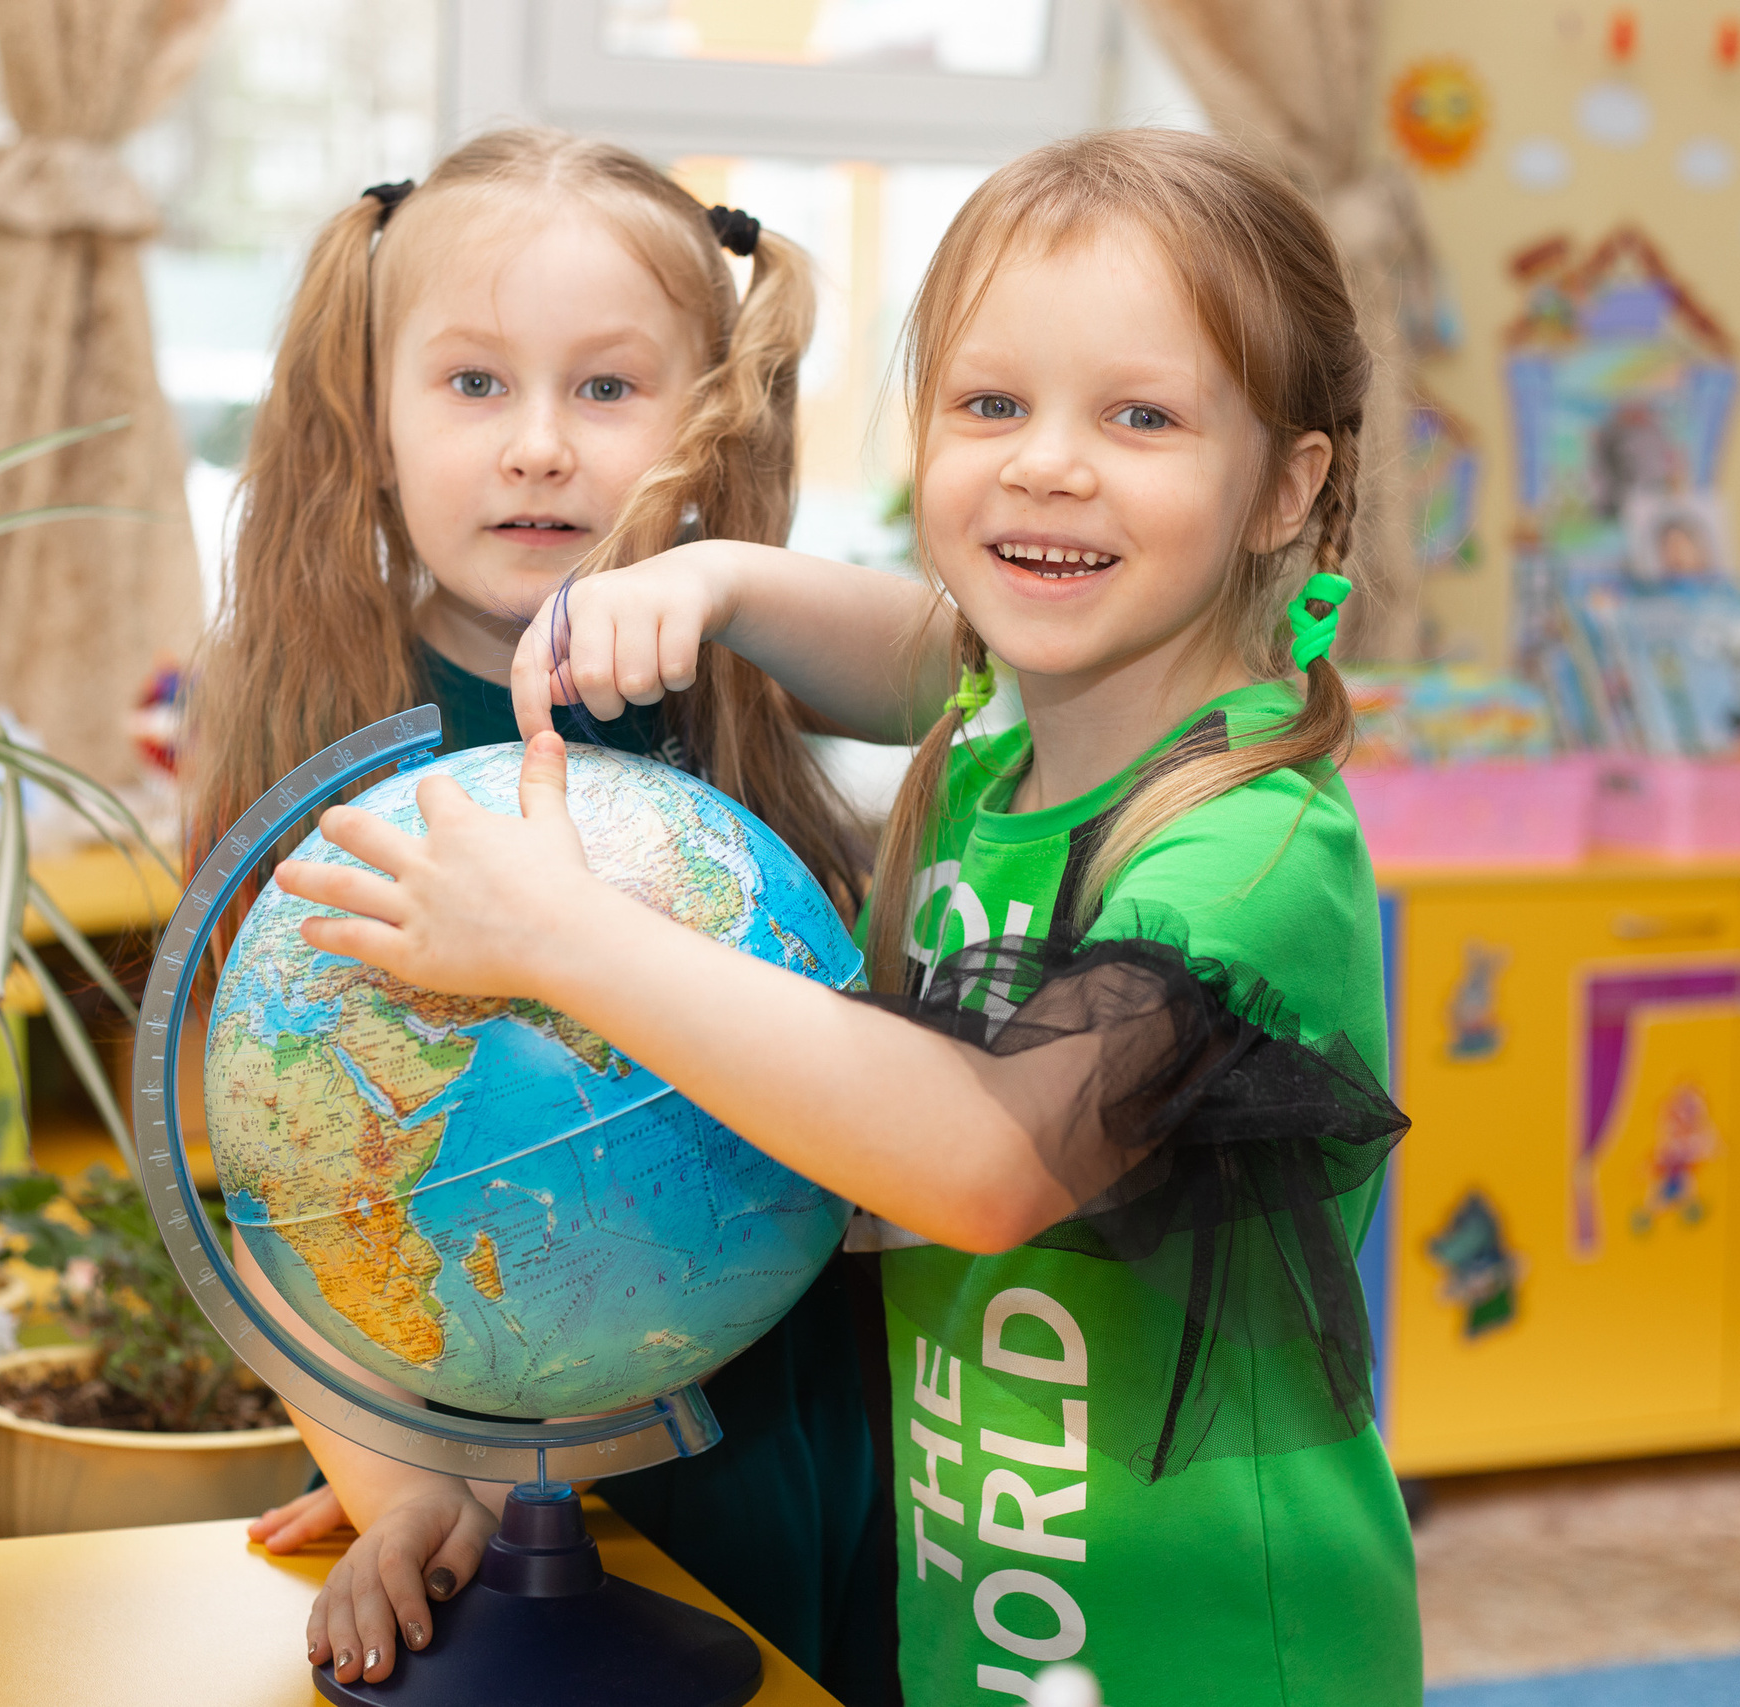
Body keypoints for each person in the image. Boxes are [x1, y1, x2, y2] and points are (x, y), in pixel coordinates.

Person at [276, 127, 1423, 1703]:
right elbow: (919, 651)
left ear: (1289, 487)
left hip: (1210, 1653)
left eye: (1140, 415)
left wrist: (565, 941)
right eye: (991, 405)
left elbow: (978, 1161)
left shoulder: (1240, 860)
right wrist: (730, 583)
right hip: (990, 1620)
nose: (1047, 462)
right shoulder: (1004, 744)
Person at [179, 128, 907, 1702]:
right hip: (462, 1447)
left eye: (606, 386)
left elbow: (964, 666)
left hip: (760, 1430)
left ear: (704, 426)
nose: (538, 448)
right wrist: (400, 1495)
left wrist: (736, 585)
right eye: (472, 384)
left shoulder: (758, 685)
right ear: (367, 423)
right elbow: (288, 1169)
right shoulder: (320, 733)